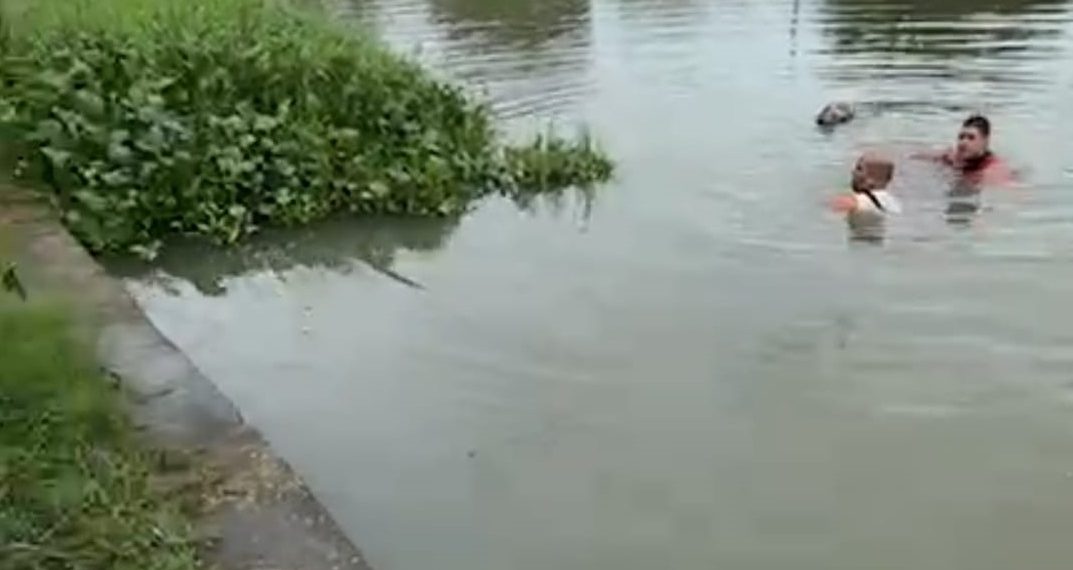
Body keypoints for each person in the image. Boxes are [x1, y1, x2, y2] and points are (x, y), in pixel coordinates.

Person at [916, 114, 1014, 186]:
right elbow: (917, 156)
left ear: (985, 141)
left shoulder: (993, 170)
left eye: (971, 138)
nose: (963, 142)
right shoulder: (951, 156)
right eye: (961, 137)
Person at [830, 153, 901, 241]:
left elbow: (831, 210)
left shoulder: (857, 201)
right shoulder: (892, 201)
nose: (853, 172)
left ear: (871, 179)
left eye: (859, 169)